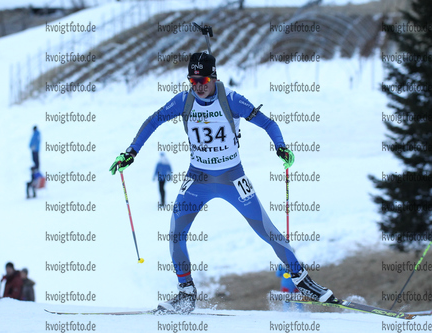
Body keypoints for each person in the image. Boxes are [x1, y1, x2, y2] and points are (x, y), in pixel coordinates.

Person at [109, 52, 335, 314]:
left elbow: (268, 124)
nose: (198, 86)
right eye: (192, 81)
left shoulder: (232, 100)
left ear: (214, 77)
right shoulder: (184, 101)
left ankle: (304, 282)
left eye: (203, 79)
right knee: (175, 234)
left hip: (232, 178)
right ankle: (186, 293)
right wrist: (131, 152)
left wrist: (281, 147)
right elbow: (153, 121)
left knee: (268, 231)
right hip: (198, 179)